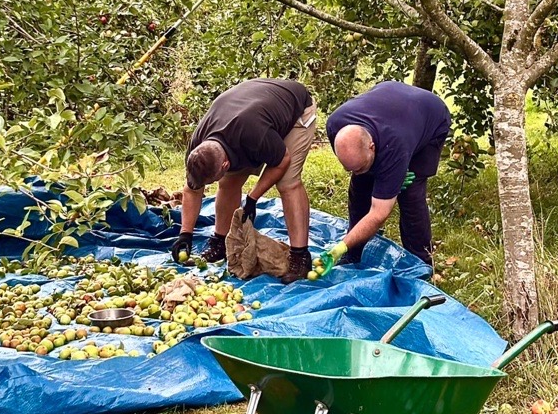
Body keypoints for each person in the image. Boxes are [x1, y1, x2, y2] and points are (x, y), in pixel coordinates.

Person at [171, 79, 317, 284]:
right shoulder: (199, 146)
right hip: (251, 111)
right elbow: (192, 190)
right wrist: (185, 235)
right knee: (228, 183)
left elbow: (282, 160)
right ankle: (219, 242)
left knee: (287, 182)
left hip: (295, 111)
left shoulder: (254, 134)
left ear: (225, 164)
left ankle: (300, 256)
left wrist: (252, 198)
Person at [326, 81, 451, 268]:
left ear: (372, 147)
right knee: (360, 186)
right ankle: (354, 253)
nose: (354, 172)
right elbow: (361, 171)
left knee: (411, 195)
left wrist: (341, 246)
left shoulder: (394, 146)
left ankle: (421, 263)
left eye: (359, 166)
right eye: (349, 168)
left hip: (431, 117)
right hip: (392, 105)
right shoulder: (335, 125)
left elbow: (379, 213)